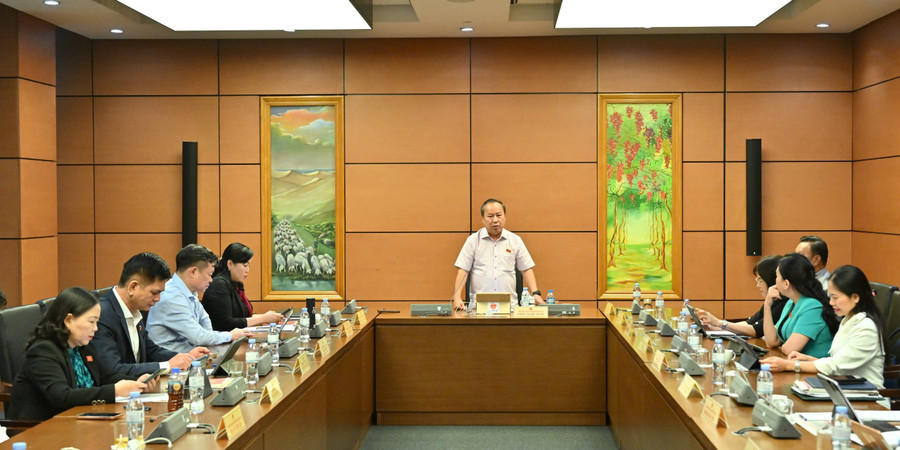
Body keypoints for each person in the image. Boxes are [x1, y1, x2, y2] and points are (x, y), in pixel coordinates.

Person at [7, 287, 152, 421]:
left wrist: (137, 382)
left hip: (78, 419)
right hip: (41, 428)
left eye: (97, 322)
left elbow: (106, 376)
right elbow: (62, 396)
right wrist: (114, 391)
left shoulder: (80, 346)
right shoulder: (43, 350)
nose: (95, 328)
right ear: (68, 320)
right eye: (91, 322)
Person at [761, 265, 885, 388]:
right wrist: (808, 359)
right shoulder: (848, 320)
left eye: (835, 297)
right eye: (830, 296)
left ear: (855, 297)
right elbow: (838, 362)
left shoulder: (866, 327)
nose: (831, 302)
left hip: (868, 398)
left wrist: (789, 365)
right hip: (844, 388)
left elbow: (836, 366)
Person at [92, 252, 210, 377]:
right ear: (133, 287)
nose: (158, 298)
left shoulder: (136, 311)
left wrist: (187, 357)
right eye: (155, 292)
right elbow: (112, 369)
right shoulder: (101, 315)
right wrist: (167, 366)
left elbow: (151, 350)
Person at [147, 244, 253, 353]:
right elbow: (198, 337)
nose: (211, 280)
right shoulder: (172, 297)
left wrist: (211, 340)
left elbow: (204, 321)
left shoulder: (189, 292)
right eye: (209, 274)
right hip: (172, 361)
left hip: (190, 356)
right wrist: (230, 335)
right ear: (194, 272)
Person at [452, 198, 543, 311]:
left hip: (510, 308)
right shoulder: (473, 241)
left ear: (505, 217)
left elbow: (526, 269)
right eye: (490, 216)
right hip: (479, 308)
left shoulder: (515, 240)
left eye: (499, 215)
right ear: (483, 219)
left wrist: (535, 293)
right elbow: (463, 271)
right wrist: (457, 297)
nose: (495, 220)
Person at [760, 253, 838, 358]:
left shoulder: (812, 306)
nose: (775, 281)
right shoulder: (790, 303)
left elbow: (789, 349)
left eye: (777, 276)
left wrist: (782, 346)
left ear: (786, 283)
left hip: (816, 371)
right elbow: (771, 341)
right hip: (796, 367)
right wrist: (767, 305)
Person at [696, 255, 788, 337]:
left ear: (771, 280)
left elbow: (756, 330)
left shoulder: (783, 303)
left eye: (760, 280)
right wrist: (713, 327)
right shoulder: (772, 301)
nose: (758, 285)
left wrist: (719, 323)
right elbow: (749, 323)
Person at [203, 243, 283, 331]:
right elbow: (226, 323)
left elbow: (242, 316)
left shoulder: (236, 283)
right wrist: (263, 318)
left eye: (249, 265)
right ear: (230, 264)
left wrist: (267, 317)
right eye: (245, 265)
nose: (247, 270)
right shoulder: (219, 284)